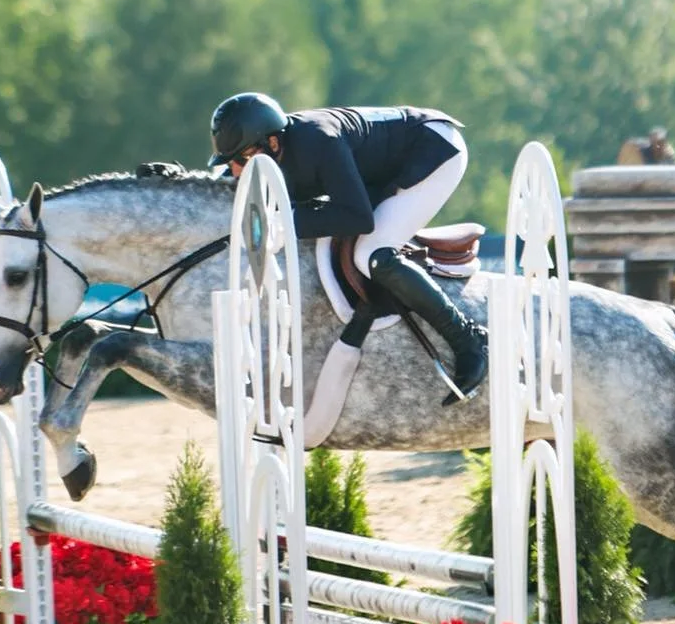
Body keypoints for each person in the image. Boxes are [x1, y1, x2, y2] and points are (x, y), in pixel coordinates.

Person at [208, 92, 488, 403]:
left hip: (433, 151)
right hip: (390, 162)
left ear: (273, 143)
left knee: (371, 254)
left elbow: (358, 218)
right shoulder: (277, 148)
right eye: (231, 161)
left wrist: (285, 222)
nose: (235, 171)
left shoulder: (319, 142)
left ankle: (469, 341)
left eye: (242, 158)